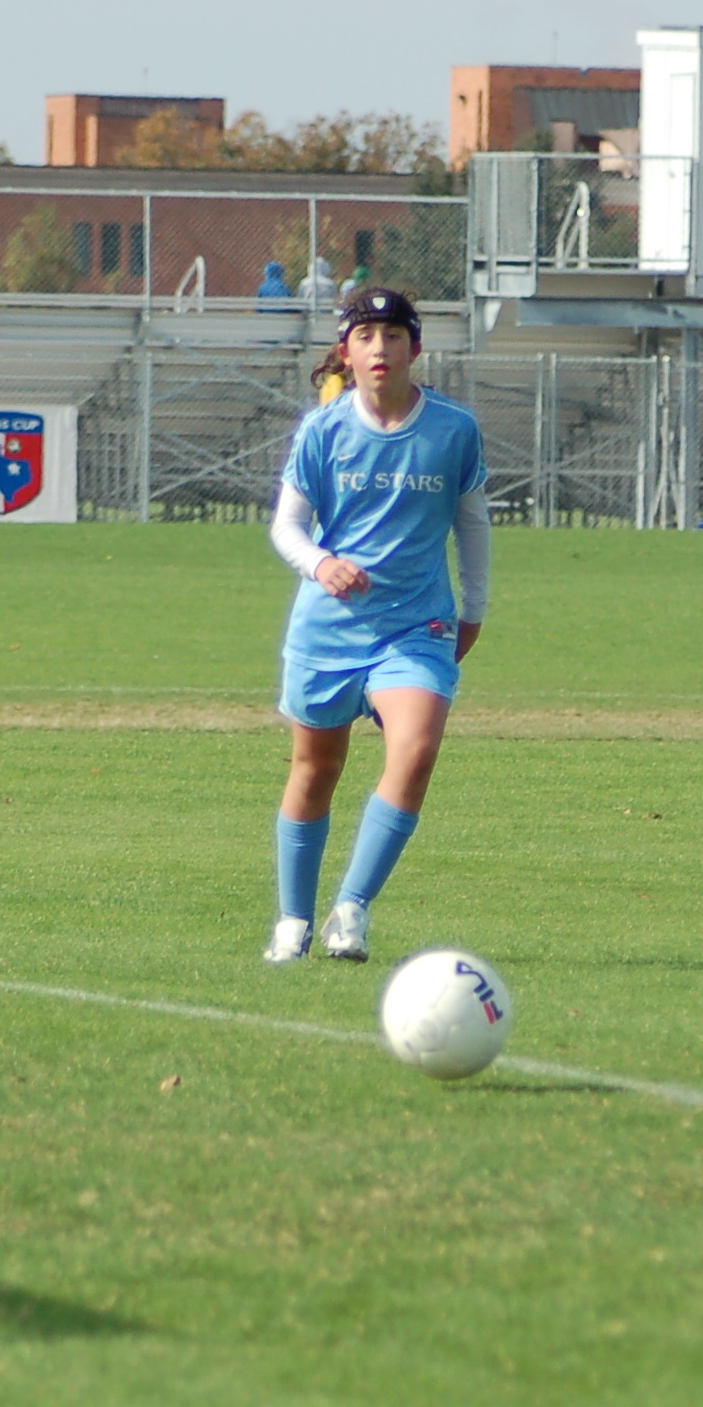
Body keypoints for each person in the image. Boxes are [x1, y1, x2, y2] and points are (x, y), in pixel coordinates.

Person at [263, 284, 491, 964]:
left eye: (393, 335)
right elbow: (287, 526)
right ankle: (293, 922)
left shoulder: (453, 430)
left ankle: (352, 910)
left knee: (415, 750)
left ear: (415, 348)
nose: (380, 348)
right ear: (346, 351)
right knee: (316, 769)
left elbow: (473, 525)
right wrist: (321, 563)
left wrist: (473, 610)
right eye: (365, 336)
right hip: (327, 631)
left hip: (416, 626)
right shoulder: (323, 431)